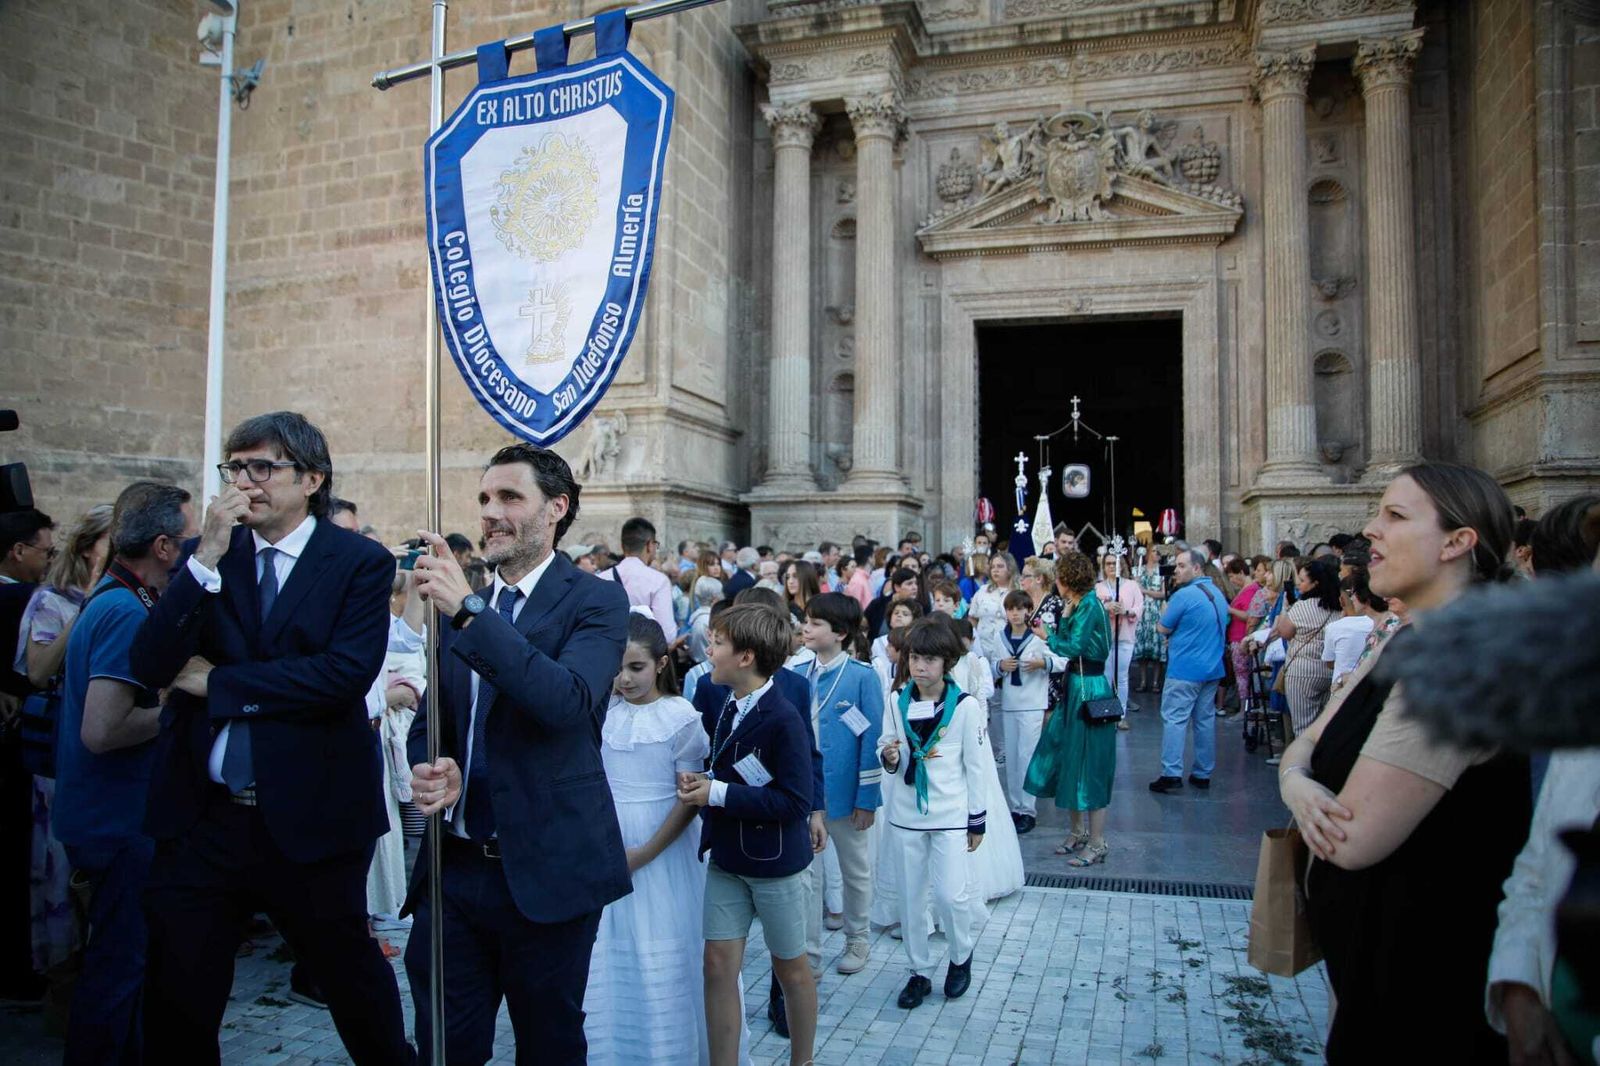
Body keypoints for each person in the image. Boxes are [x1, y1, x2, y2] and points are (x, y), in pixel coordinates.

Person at [129, 414, 413, 1064]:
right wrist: (201, 563)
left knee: (355, 992)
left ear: (310, 479)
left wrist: (220, 685)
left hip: (312, 820)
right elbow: (150, 666)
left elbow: (341, 675)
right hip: (203, 818)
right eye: (235, 467)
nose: (245, 482)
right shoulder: (210, 555)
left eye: (263, 467)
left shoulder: (357, 562)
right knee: (178, 999)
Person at [1278, 461, 1529, 1063]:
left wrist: (1299, 781)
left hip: (1423, 986)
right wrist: (1295, 779)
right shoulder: (1405, 635)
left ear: (1457, 542)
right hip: (1374, 973)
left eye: (1395, 515)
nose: (1371, 529)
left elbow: (1353, 836)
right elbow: (1306, 741)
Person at [399, 443, 632, 1064]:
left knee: (549, 1045)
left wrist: (471, 613)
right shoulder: (463, 606)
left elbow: (565, 703)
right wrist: (434, 762)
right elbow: (432, 718)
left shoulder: (596, 601)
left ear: (555, 508)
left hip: (548, 870)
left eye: (509, 497)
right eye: (483, 499)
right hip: (455, 871)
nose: (491, 513)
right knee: (445, 1046)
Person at [51, 485, 193, 1065]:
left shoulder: (119, 600)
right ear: (162, 547)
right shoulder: (121, 610)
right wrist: (182, 708)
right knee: (116, 971)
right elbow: (103, 731)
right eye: (187, 541)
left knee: (125, 971)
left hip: (117, 822)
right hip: (116, 825)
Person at [678, 605, 819, 1066]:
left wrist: (717, 793)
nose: (708, 650)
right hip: (727, 858)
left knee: (790, 969)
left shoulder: (783, 717)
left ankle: (803, 1061)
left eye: (717, 643)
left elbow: (795, 802)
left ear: (746, 657)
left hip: (776, 864)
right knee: (716, 965)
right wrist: (703, 784)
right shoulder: (727, 703)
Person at [584, 615, 710, 1065]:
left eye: (635, 668)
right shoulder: (603, 710)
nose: (624, 678)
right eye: (618, 668)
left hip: (663, 848)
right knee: (609, 950)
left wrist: (644, 853)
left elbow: (690, 798)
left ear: (660, 664)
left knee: (664, 947)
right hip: (607, 840)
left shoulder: (681, 716)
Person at [11, 504, 111, 1014]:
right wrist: (89, 609)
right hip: (61, 757)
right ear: (89, 546)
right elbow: (37, 670)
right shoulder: (51, 600)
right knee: (59, 877)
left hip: (109, 758)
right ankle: (66, 1000)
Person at [877, 617, 988, 1011]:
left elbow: (975, 766)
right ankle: (918, 970)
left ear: (947, 663)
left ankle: (961, 956)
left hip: (950, 813)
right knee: (910, 898)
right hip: (907, 813)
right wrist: (888, 756)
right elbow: (887, 743)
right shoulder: (896, 700)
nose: (920, 667)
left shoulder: (964, 706)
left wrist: (977, 819)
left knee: (950, 894)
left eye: (929, 660)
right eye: (914, 659)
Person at [798, 593, 883, 978]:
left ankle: (857, 938)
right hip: (806, 795)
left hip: (847, 793)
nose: (806, 628)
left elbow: (872, 739)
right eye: (806, 620)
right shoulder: (798, 673)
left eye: (816, 623)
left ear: (841, 633)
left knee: (856, 869)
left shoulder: (863, 676)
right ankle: (809, 952)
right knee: (808, 876)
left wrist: (867, 798)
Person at [1024, 552, 1118, 864]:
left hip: (1089, 687)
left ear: (1067, 579)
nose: (1056, 584)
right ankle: (1078, 832)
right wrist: (1060, 621)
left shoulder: (1090, 604)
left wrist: (1049, 633)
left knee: (1090, 762)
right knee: (1067, 756)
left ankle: (1097, 841)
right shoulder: (1078, 604)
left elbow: (1072, 646)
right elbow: (1066, 640)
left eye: (1059, 578)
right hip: (1075, 685)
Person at [1149, 549, 1227, 793]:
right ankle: (1203, 772)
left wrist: (1166, 623)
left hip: (1185, 669)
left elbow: (1162, 627)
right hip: (1212, 668)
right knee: (1204, 721)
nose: (1176, 570)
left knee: (1175, 719)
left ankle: (1171, 773)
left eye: (1182, 565)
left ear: (1197, 568)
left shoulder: (1184, 596)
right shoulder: (1217, 593)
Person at [990, 589, 1060, 835]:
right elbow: (989, 666)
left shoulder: (1039, 636)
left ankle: (1028, 810)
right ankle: (1015, 807)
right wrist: (999, 666)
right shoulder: (1000, 637)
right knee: (1012, 756)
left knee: (1026, 756)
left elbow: (1063, 660)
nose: (1016, 614)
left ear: (1029, 611)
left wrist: (1042, 663)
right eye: (1011, 609)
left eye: (1020, 609)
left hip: (1032, 702)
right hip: (1010, 702)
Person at [1274, 556, 1341, 734]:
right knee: (1324, 726)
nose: (1298, 584)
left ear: (1315, 584)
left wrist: (1285, 608)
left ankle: (1304, 760)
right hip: (1329, 671)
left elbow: (1284, 632)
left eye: (1302, 581)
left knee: (1303, 727)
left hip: (1302, 672)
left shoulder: (1302, 607)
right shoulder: (1337, 608)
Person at [601, 516, 676, 638]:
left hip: (609, 651)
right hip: (643, 653)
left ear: (622, 545)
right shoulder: (658, 581)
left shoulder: (601, 578)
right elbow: (667, 635)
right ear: (649, 545)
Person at [1094, 550, 1143, 725]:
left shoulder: (1132, 585)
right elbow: (1092, 611)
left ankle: (1121, 715)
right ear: (1103, 566)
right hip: (1105, 638)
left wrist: (1125, 611)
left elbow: (1139, 608)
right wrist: (1105, 607)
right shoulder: (1099, 587)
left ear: (1121, 564)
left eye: (1115, 563)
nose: (1112, 567)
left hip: (1124, 637)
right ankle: (1106, 712)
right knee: (1106, 676)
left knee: (1121, 677)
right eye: (1108, 563)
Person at [1323, 572, 1382, 689]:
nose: (1352, 598)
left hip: (1347, 688)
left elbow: (1329, 662)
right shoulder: (1378, 623)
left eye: (1354, 593)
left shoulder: (1335, 627)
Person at [1131, 543, 1168, 693]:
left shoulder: (1163, 571)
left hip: (1155, 610)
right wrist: (1136, 584)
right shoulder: (1138, 570)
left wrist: (1145, 590)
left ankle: (1155, 681)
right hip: (1141, 611)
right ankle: (1143, 679)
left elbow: (1164, 593)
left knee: (1156, 647)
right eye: (1154, 551)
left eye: (1159, 552)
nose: (1156, 554)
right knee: (1142, 648)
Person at [784, 560, 821, 625]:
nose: (790, 581)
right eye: (788, 577)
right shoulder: (784, 609)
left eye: (795, 576)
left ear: (807, 577)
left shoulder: (823, 606)